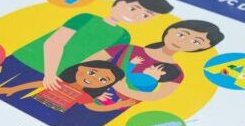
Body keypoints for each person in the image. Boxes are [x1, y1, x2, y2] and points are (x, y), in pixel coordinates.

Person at [0, 0, 173, 94]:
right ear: (119, 4)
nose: (137, 15)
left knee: (7, 101)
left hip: (55, 77)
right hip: (25, 59)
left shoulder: (123, 36)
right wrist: (50, 73)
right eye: (134, 8)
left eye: (146, 15)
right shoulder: (86, 18)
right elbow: (54, 43)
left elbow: (94, 62)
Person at [85, 19, 225, 112]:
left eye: (196, 42)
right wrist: (96, 89)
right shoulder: (126, 48)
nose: (182, 42)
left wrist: (123, 89)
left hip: (113, 107)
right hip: (83, 91)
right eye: (182, 34)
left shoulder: (176, 72)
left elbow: (156, 95)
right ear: (171, 30)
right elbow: (88, 63)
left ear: (203, 48)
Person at [0, 60, 125, 112]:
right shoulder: (59, 82)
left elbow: (94, 107)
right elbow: (37, 84)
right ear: (81, 68)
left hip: (51, 115)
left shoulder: (84, 96)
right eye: (92, 72)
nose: (94, 78)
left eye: (103, 80)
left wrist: (117, 106)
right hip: (31, 103)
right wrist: (12, 89)